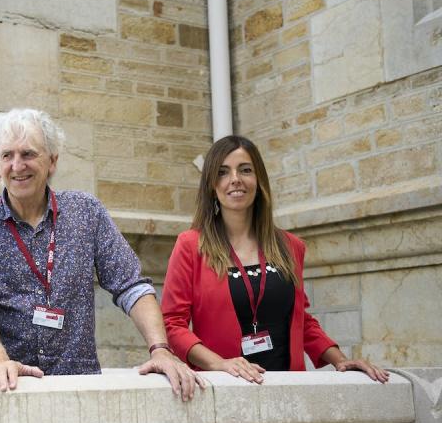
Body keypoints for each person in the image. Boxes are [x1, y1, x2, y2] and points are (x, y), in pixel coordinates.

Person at [0, 108, 205, 399]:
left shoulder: (86, 212)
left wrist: (160, 349)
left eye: (29, 154)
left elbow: (131, 284)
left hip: (77, 387)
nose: (17, 165)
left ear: (53, 162)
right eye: (7, 155)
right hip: (3, 387)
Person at [161, 135, 389, 383]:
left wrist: (340, 360)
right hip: (225, 386)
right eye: (223, 172)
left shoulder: (290, 246)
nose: (235, 179)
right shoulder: (191, 245)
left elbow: (301, 320)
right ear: (211, 186)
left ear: (258, 180)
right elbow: (173, 324)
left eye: (245, 170)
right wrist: (219, 364)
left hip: (286, 386)